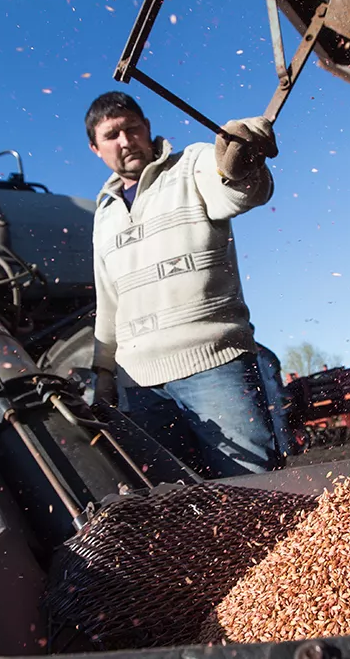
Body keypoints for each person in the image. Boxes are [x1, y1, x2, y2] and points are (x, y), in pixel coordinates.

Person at [86, 91, 280, 478]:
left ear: (147, 128)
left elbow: (241, 192)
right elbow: (109, 303)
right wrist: (103, 373)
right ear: (96, 148)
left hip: (215, 365)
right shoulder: (104, 213)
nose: (125, 141)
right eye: (111, 135)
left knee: (256, 490)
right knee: (175, 501)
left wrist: (240, 163)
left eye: (132, 128)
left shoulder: (192, 165)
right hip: (139, 386)